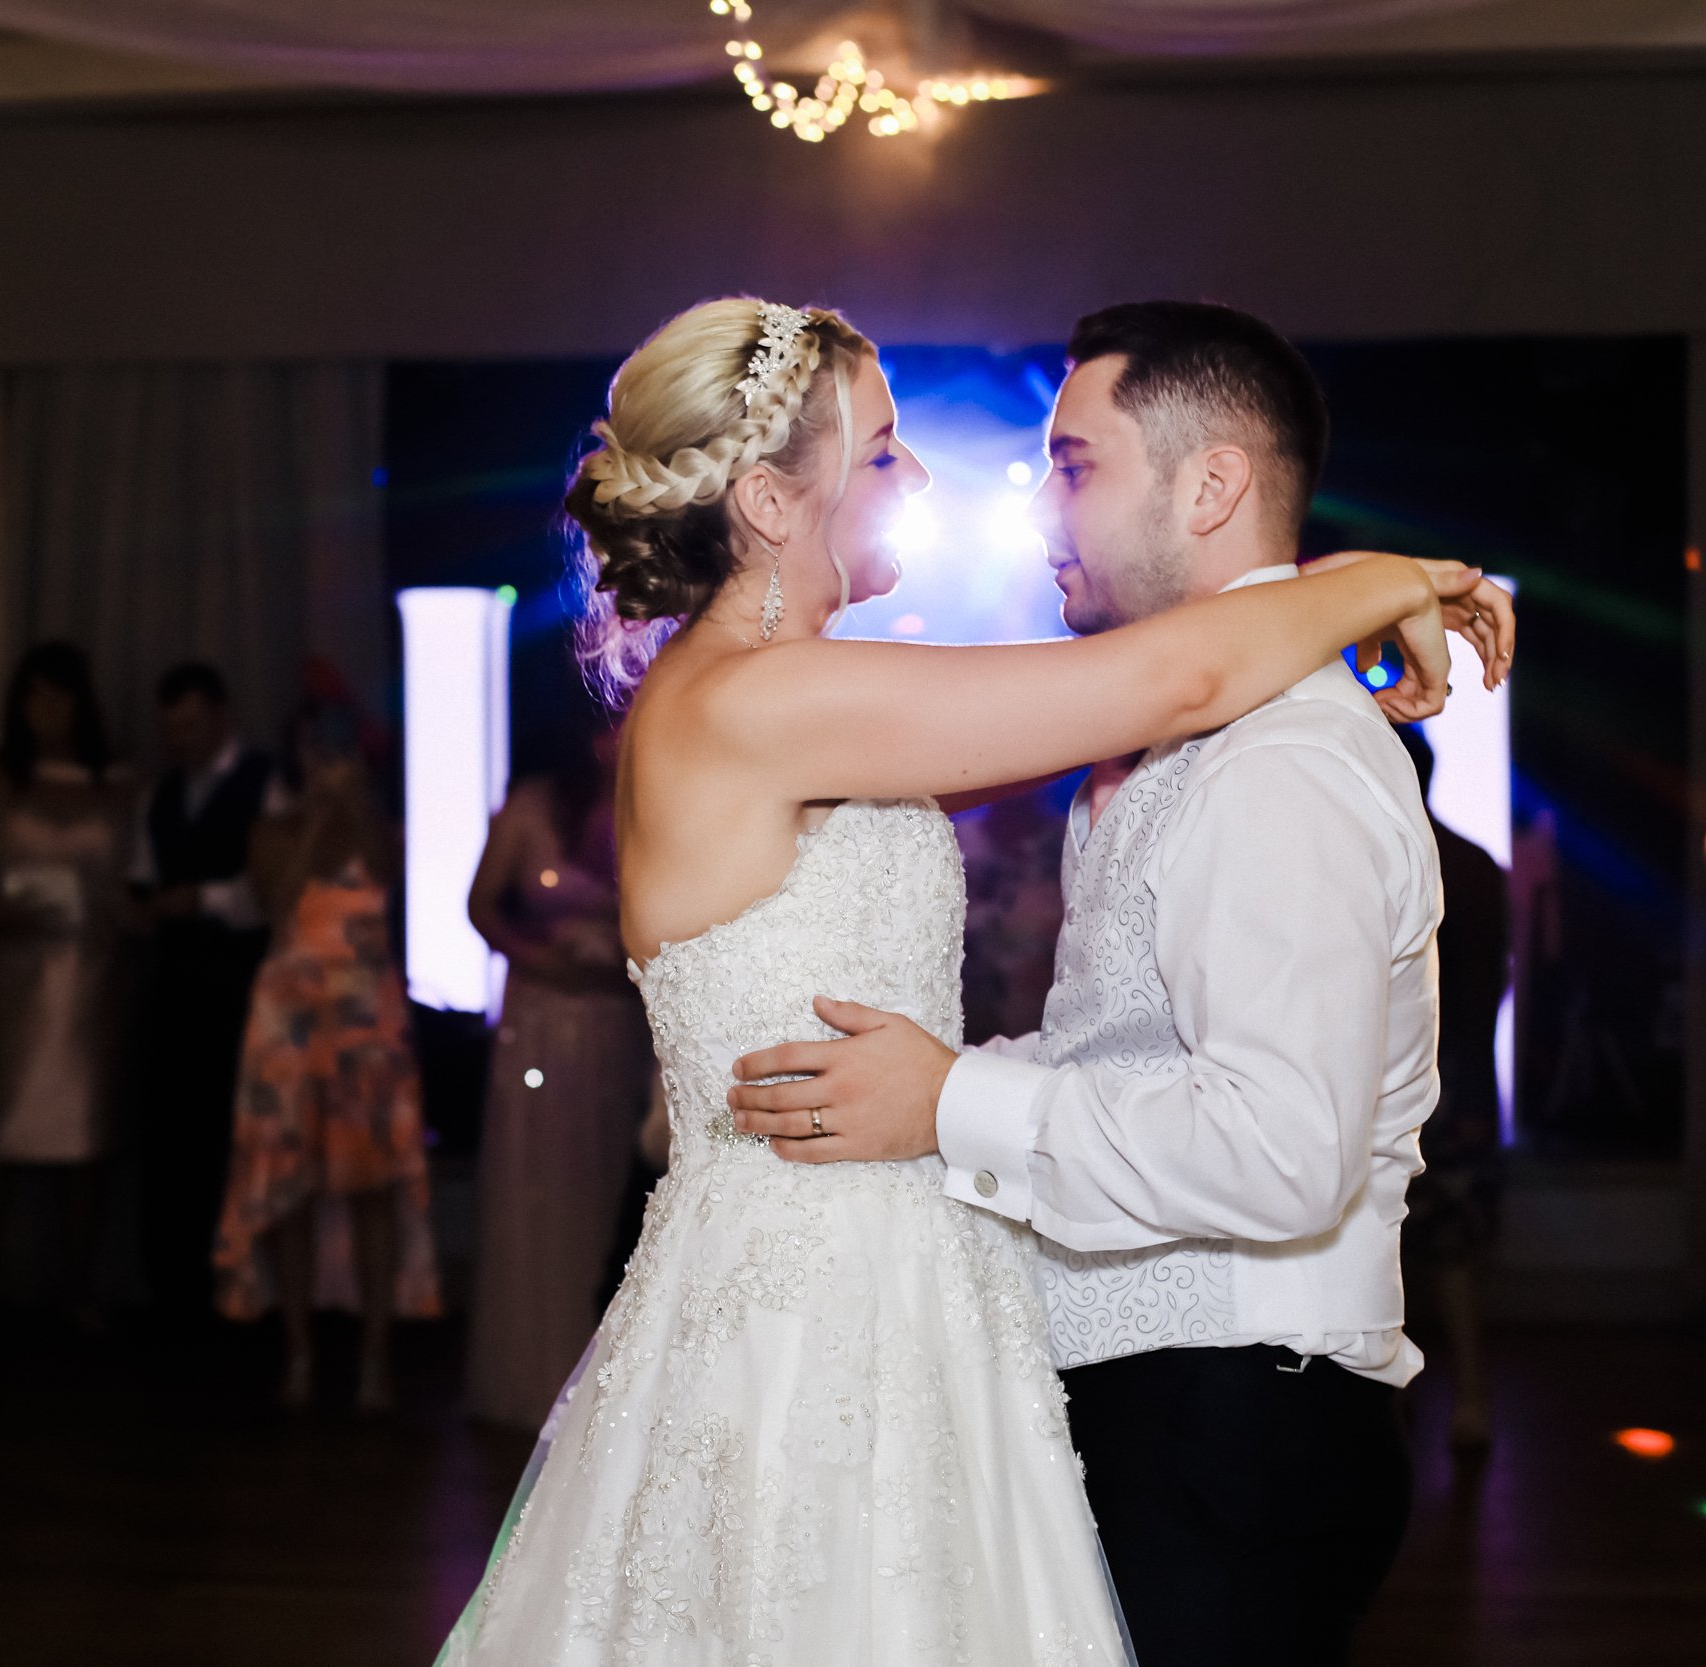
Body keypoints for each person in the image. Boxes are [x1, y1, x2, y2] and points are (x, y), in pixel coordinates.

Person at [432, 297, 1510, 1666]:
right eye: (882, 454)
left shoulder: (796, 695)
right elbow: (1170, 681)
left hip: (913, 1284)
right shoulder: (759, 702)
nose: (921, 480)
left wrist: (956, 1092)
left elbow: (1140, 686)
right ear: (771, 500)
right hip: (809, 1300)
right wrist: (1387, 576)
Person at [215, 689, 439, 1411]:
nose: (326, 761)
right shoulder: (270, 828)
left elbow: (384, 874)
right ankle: (299, 1351)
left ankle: (375, 1356)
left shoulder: (380, 828)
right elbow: (276, 902)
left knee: (372, 1183)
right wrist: (315, 818)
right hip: (289, 1015)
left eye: (337, 749)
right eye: (315, 748)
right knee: (290, 1186)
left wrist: (351, 807)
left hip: (364, 1017)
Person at [0, 642, 137, 1349]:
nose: (47, 710)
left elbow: (138, 881)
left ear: (82, 702)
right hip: (16, 982)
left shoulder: (116, 784)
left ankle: (79, 1289)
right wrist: (3, 913)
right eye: (34, 697)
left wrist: (126, 914)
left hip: (91, 980)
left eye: (60, 695)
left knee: (87, 1141)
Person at [462, 720, 657, 1429]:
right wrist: (543, 960)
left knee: (609, 1183)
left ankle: (610, 1378)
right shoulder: (534, 806)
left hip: (622, 1025)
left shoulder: (657, 803)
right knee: (540, 1183)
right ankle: (535, 1372)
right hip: (544, 1023)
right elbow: (481, 905)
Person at [130, 662, 281, 1329]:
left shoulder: (264, 781)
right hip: (175, 984)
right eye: (170, 727)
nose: (180, 738)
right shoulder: (160, 793)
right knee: (176, 1135)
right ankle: (179, 1289)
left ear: (220, 716)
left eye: (191, 724)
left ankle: (244, 1290)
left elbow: (279, 886)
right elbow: (142, 871)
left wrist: (206, 898)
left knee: (237, 1134)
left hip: (243, 983)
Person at [1397, 723, 1510, 1455]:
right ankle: (1471, 1401)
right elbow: (1493, 984)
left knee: (1391, 1250)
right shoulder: (1476, 864)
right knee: (1457, 1254)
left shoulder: (1384, 864)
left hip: (1401, 1079)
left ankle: (1395, 1407)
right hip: (1462, 1077)